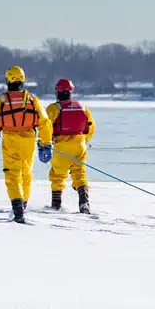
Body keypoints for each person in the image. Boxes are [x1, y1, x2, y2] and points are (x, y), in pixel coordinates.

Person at [0, 66, 54, 223]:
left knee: (12, 175)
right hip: (28, 141)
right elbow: (45, 122)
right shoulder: (32, 99)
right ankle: (23, 204)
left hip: (10, 140)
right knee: (26, 175)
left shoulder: (1, 100)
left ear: (8, 80)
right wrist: (46, 144)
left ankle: (18, 210)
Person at [45, 78, 96, 213]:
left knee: (57, 175)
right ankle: (84, 203)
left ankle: (56, 205)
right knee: (79, 174)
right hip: (80, 145)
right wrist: (84, 140)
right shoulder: (82, 107)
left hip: (61, 147)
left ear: (57, 92)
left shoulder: (53, 108)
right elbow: (91, 127)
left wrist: (45, 143)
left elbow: (46, 126)